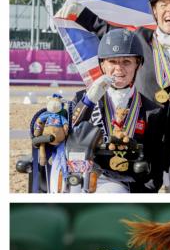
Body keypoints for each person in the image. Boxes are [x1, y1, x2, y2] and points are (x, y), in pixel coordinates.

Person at [58, 0, 170, 193]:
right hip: (141, 143)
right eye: (164, 5)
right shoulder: (138, 39)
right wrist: (80, 13)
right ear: (154, 10)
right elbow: (108, 34)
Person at [60, 29, 164, 193]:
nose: (119, 68)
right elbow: (65, 134)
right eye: (112, 62)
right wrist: (88, 102)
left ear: (138, 64)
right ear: (102, 64)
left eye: (126, 62)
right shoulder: (82, 99)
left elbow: (155, 166)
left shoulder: (152, 111)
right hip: (80, 177)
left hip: (123, 184)